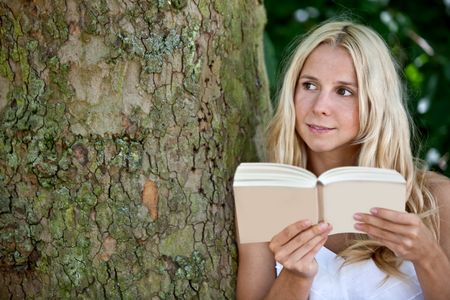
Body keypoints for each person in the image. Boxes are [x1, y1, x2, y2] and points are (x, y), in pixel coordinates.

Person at [236, 20, 450, 300]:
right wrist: (296, 276)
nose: (320, 107)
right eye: (309, 85)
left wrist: (427, 255)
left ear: (376, 102)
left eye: (344, 91)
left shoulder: (436, 199)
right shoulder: (264, 200)